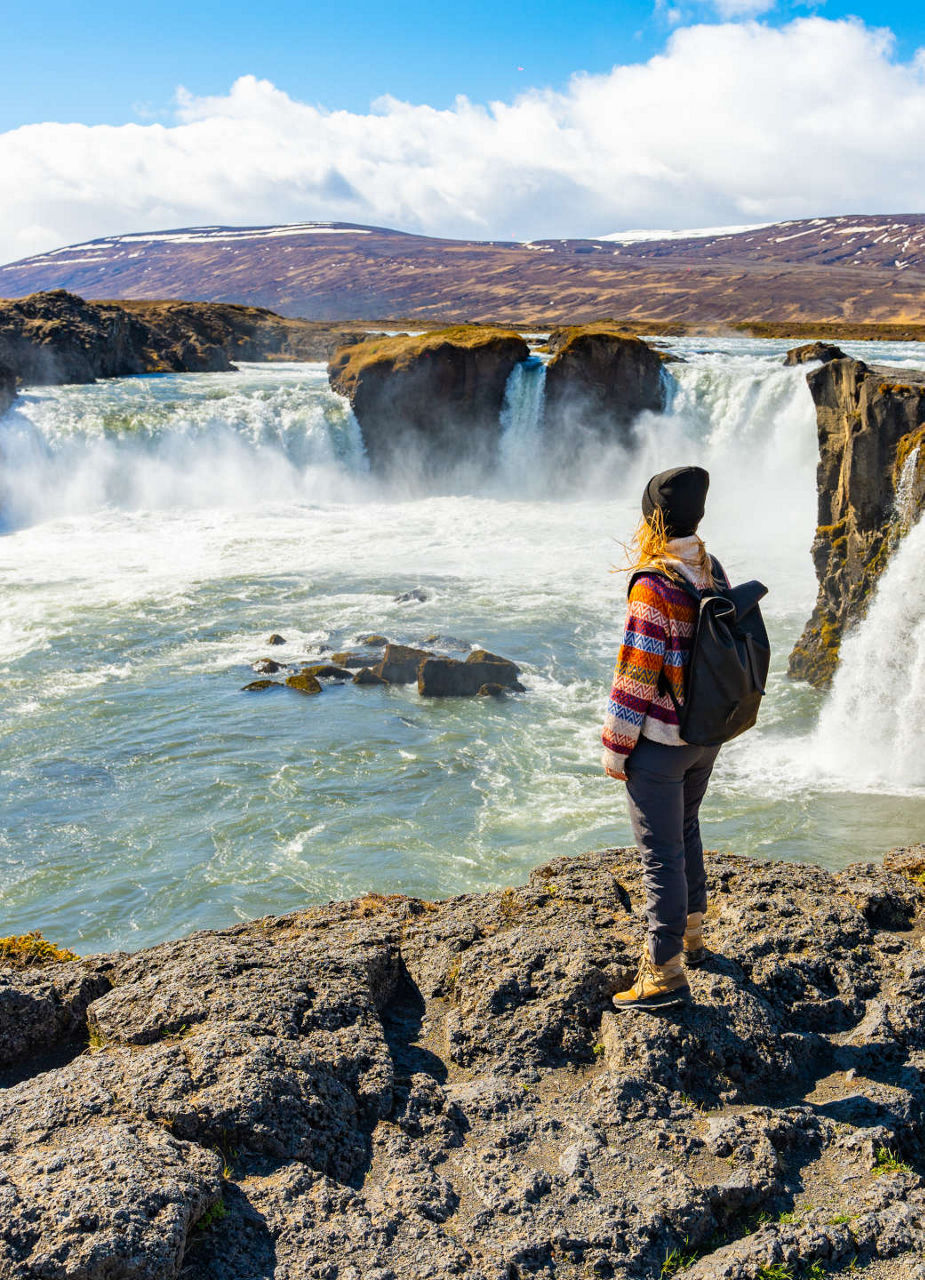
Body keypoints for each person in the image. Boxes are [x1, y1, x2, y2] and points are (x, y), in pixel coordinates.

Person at [601, 465, 729, 1011]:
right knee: (686, 829)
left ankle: (664, 971)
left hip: (660, 741)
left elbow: (636, 674)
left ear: (651, 518)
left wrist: (616, 747)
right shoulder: (711, 568)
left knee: (660, 853)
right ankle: (695, 937)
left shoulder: (654, 583)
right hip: (706, 731)